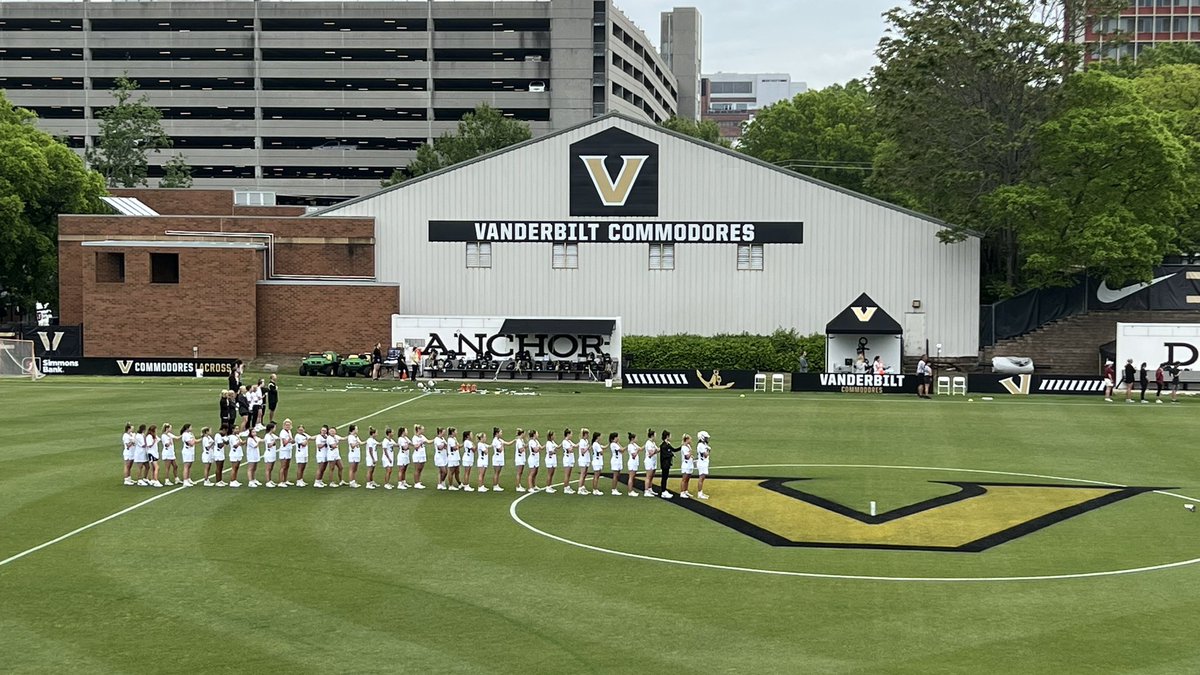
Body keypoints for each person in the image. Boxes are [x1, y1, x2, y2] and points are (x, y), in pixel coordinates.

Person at [491, 427, 513, 491]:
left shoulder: (500, 440)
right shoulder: (495, 441)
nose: (501, 433)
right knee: (496, 472)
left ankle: (497, 484)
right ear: (497, 433)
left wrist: (514, 440)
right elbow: (500, 449)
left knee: (498, 472)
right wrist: (502, 446)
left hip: (500, 458)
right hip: (497, 458)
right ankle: (495, 486)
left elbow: (508, 443)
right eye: (500, 432)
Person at [657, 429, 676, 499]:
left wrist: (682, 446)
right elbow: (664, 455)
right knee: (664, 478)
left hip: (667, 464)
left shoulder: (667, 444)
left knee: (666, 477)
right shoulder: (663, 445)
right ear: (667, 436)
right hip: (664, 464)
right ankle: (663, 491)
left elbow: (673, 449)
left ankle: (664, 490)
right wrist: (671, 455)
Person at [575, 427, 593, 496]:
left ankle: (582, 486)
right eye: (587, 434)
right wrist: (588, 448)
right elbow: (582, 451)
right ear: (585, 434)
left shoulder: (586, 441)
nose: (588, 435)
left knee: (585, 474)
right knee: (582, 474)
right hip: (583, 459)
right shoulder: (582, 441)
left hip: (587, 459)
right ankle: (580, 488)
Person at [410, 424, 428, 489]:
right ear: (419, 430)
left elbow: (428, 441)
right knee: (417, 469)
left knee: (420, 469)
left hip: (422, 454)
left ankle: (418, 481)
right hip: (417, 455)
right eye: (422, 429)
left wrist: (435, 439)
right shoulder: (414, 438)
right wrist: (421, 442)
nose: (423, 430)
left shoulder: (422, 436)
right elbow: (415, 446)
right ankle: (416, 483)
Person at [642, 429, 658, 498]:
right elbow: (651, 453)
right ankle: (646, 491)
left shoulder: (653, 443)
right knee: (648, 476)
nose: (656, 436)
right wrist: (655, 451)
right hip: (649, 461)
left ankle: (650, 489)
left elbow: (657, 450)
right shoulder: (648, 443)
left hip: (654, 461)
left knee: (652, 476)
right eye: (655, 435)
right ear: (652, 436)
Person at [695, 431, 711, 500]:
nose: (707, 439)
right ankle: (699, 493)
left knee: (702, 478)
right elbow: (705, 454)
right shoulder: (701, 445)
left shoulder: (703, 444)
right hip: (702, 463)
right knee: (701, 478)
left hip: (704, 462)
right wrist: (708, 450)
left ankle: (701, 492)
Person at [277, 418, 293, 486]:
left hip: (289, 449)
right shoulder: (282, 432)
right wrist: (289, 439)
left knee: (287, 466)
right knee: (283, 466)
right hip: (284, 450)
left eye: (289, 425)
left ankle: (285, 480)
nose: (288, 426)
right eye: (286, 425)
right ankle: (281, 481)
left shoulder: (289, 431)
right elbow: (284, 443)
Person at [561, 428, 577, 494]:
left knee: (569, 474)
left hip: (570, 458)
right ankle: (565, 488)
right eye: (571, 434)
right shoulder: (565, 442)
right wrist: (572, 447)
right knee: (567, 474)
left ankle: (567, 487)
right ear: (568, 434)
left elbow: (575, 445)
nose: (571, 435)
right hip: (567, 459)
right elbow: (570, 449)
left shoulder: (569, 441)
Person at [262, 422, 279, 487]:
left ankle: (270, 480)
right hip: (269, 454)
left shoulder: (272, 435)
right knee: (268, 468)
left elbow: (278, 438)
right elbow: (269, 445)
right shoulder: (267, 436)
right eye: (274, 427)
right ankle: (267, 481)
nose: (275, 429)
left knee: (271, 468)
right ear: (271, 428)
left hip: (273, 453)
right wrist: (273, 442)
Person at [678, 433, 694, 499]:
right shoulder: (684, 447)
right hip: (686, 465)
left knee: (688, 479)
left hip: (690, 464)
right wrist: (690, 452)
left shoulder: (688, 446)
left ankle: (686, 491)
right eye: (690, 439)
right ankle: (682, 492)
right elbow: (687, 457)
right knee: (684, 479)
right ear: (687, 439)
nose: (691, 440)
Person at [588, 431, 604, 496]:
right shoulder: (596, 444)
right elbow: (601, 452)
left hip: (598, 461)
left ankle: (595, 489)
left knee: (596, 476)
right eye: (600, 436)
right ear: (597, 437)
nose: (601, 437)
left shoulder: (596, 444)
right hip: (597, 462)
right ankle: (595, 489)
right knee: (596, 476)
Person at [608, 431, 624, 496]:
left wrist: (618, 443)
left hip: (618, 461)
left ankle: (615, 488)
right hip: (615, 461)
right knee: (615, 475)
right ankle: (613, 489)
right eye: (617, 437)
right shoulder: (613, 444)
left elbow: (621, 449)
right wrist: (627, 446)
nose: (618, 438)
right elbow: (622, 450)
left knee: (617, 475)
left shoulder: (616, 444)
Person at [625, 432, 640, 497]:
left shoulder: (634, 444)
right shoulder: (630, 446)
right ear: (632, 438)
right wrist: (637, 450)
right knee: (631, 477)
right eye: (635, 438)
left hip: (635, 463)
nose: (637, 439)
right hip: (632, 463)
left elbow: (640, 448)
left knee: (633, 477)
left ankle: (631, 490)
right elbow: (633, 455)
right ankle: (630, 491)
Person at [513, 428, 528, 492]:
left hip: (522, 458)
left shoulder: (521, 440)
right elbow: (521, 450)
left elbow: (525, 446)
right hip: (519, 458)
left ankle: (519, 485)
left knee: (520, 472)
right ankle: (517, 486)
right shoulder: (519, 441)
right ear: (522, 433)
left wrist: (527, 442)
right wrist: (524, 447)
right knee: (519, 473)